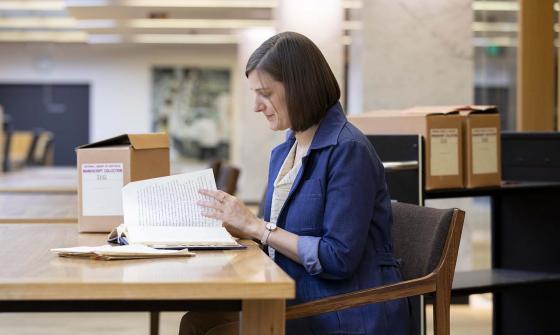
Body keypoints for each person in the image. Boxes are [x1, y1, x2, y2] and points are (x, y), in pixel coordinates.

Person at [180, 31, 410, 335]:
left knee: (212, 330)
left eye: (265, 93)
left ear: (300, 87)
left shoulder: (348, 150)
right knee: (196, 320)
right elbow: (283, 233)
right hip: (298, 294)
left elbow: (338, 257)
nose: (256, 106)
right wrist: (237, 226)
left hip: (341, 309)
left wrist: (257, 227)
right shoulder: (286, 150)